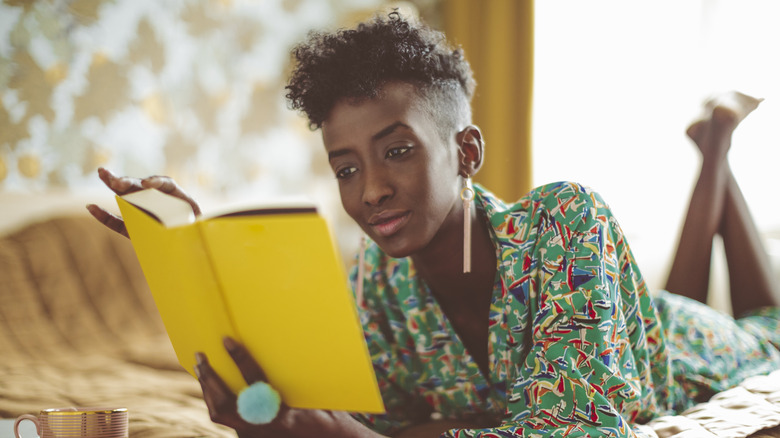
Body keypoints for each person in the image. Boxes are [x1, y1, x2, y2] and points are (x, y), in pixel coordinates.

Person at [87, 12, 780, 438]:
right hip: (637, 332)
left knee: (765, 329)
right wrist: (196, 257)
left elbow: (585, 429)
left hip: (687, 350)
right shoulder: (375, 279)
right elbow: (374, 419)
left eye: (397, 151)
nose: (373, 190)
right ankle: (715, 138)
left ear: (466, 151)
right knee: (668, 306)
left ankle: (717, 142)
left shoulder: (566, 218)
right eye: (347, 167)